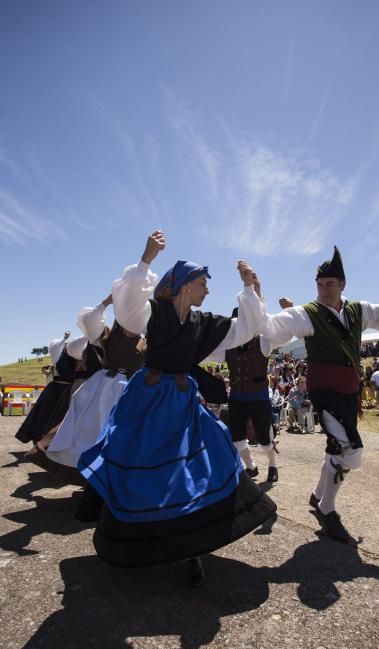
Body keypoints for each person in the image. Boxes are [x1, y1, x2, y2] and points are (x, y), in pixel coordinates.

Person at [75, 231, 276, 586]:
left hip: (182, 402)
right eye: (203, 284)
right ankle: (136, 543)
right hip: (148, 401)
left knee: (201, 461)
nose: (207, 291)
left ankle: (191, 547)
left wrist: (249, 290)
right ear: (185, 286)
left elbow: (244, 330)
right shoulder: (155, 313)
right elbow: (129, 311)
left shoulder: (204, 324)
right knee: (140, 466)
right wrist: (145, 260)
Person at [256, 246, 379, 543]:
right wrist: (256, 298)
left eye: (330, 284)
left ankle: (318, 495)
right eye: (320, 285)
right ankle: (327, 509)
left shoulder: (359, 310)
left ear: (342, 284)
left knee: (338, 447)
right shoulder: (309, 313)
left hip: (349, 390)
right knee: (350, 452)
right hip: (324, 391)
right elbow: (275, 326)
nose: (324, 290)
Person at [34, 295, 146, 485]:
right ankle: (92, 480)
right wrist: (106, 303)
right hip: (104, 392)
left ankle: (117, 482)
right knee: (91, 435)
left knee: (126, 441)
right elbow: (88, 320)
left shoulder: (145, 340)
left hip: (132, 391)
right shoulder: (107, 335)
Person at [209, 275, 279, 484]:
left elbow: (263, 317)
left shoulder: (264, 342)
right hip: (237, 398)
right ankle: (251, 467)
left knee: (265, 439)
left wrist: (258, 290)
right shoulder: (227, 347)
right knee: (238, 438)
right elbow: (206, 352)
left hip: (258, 398)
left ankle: (273, 465)